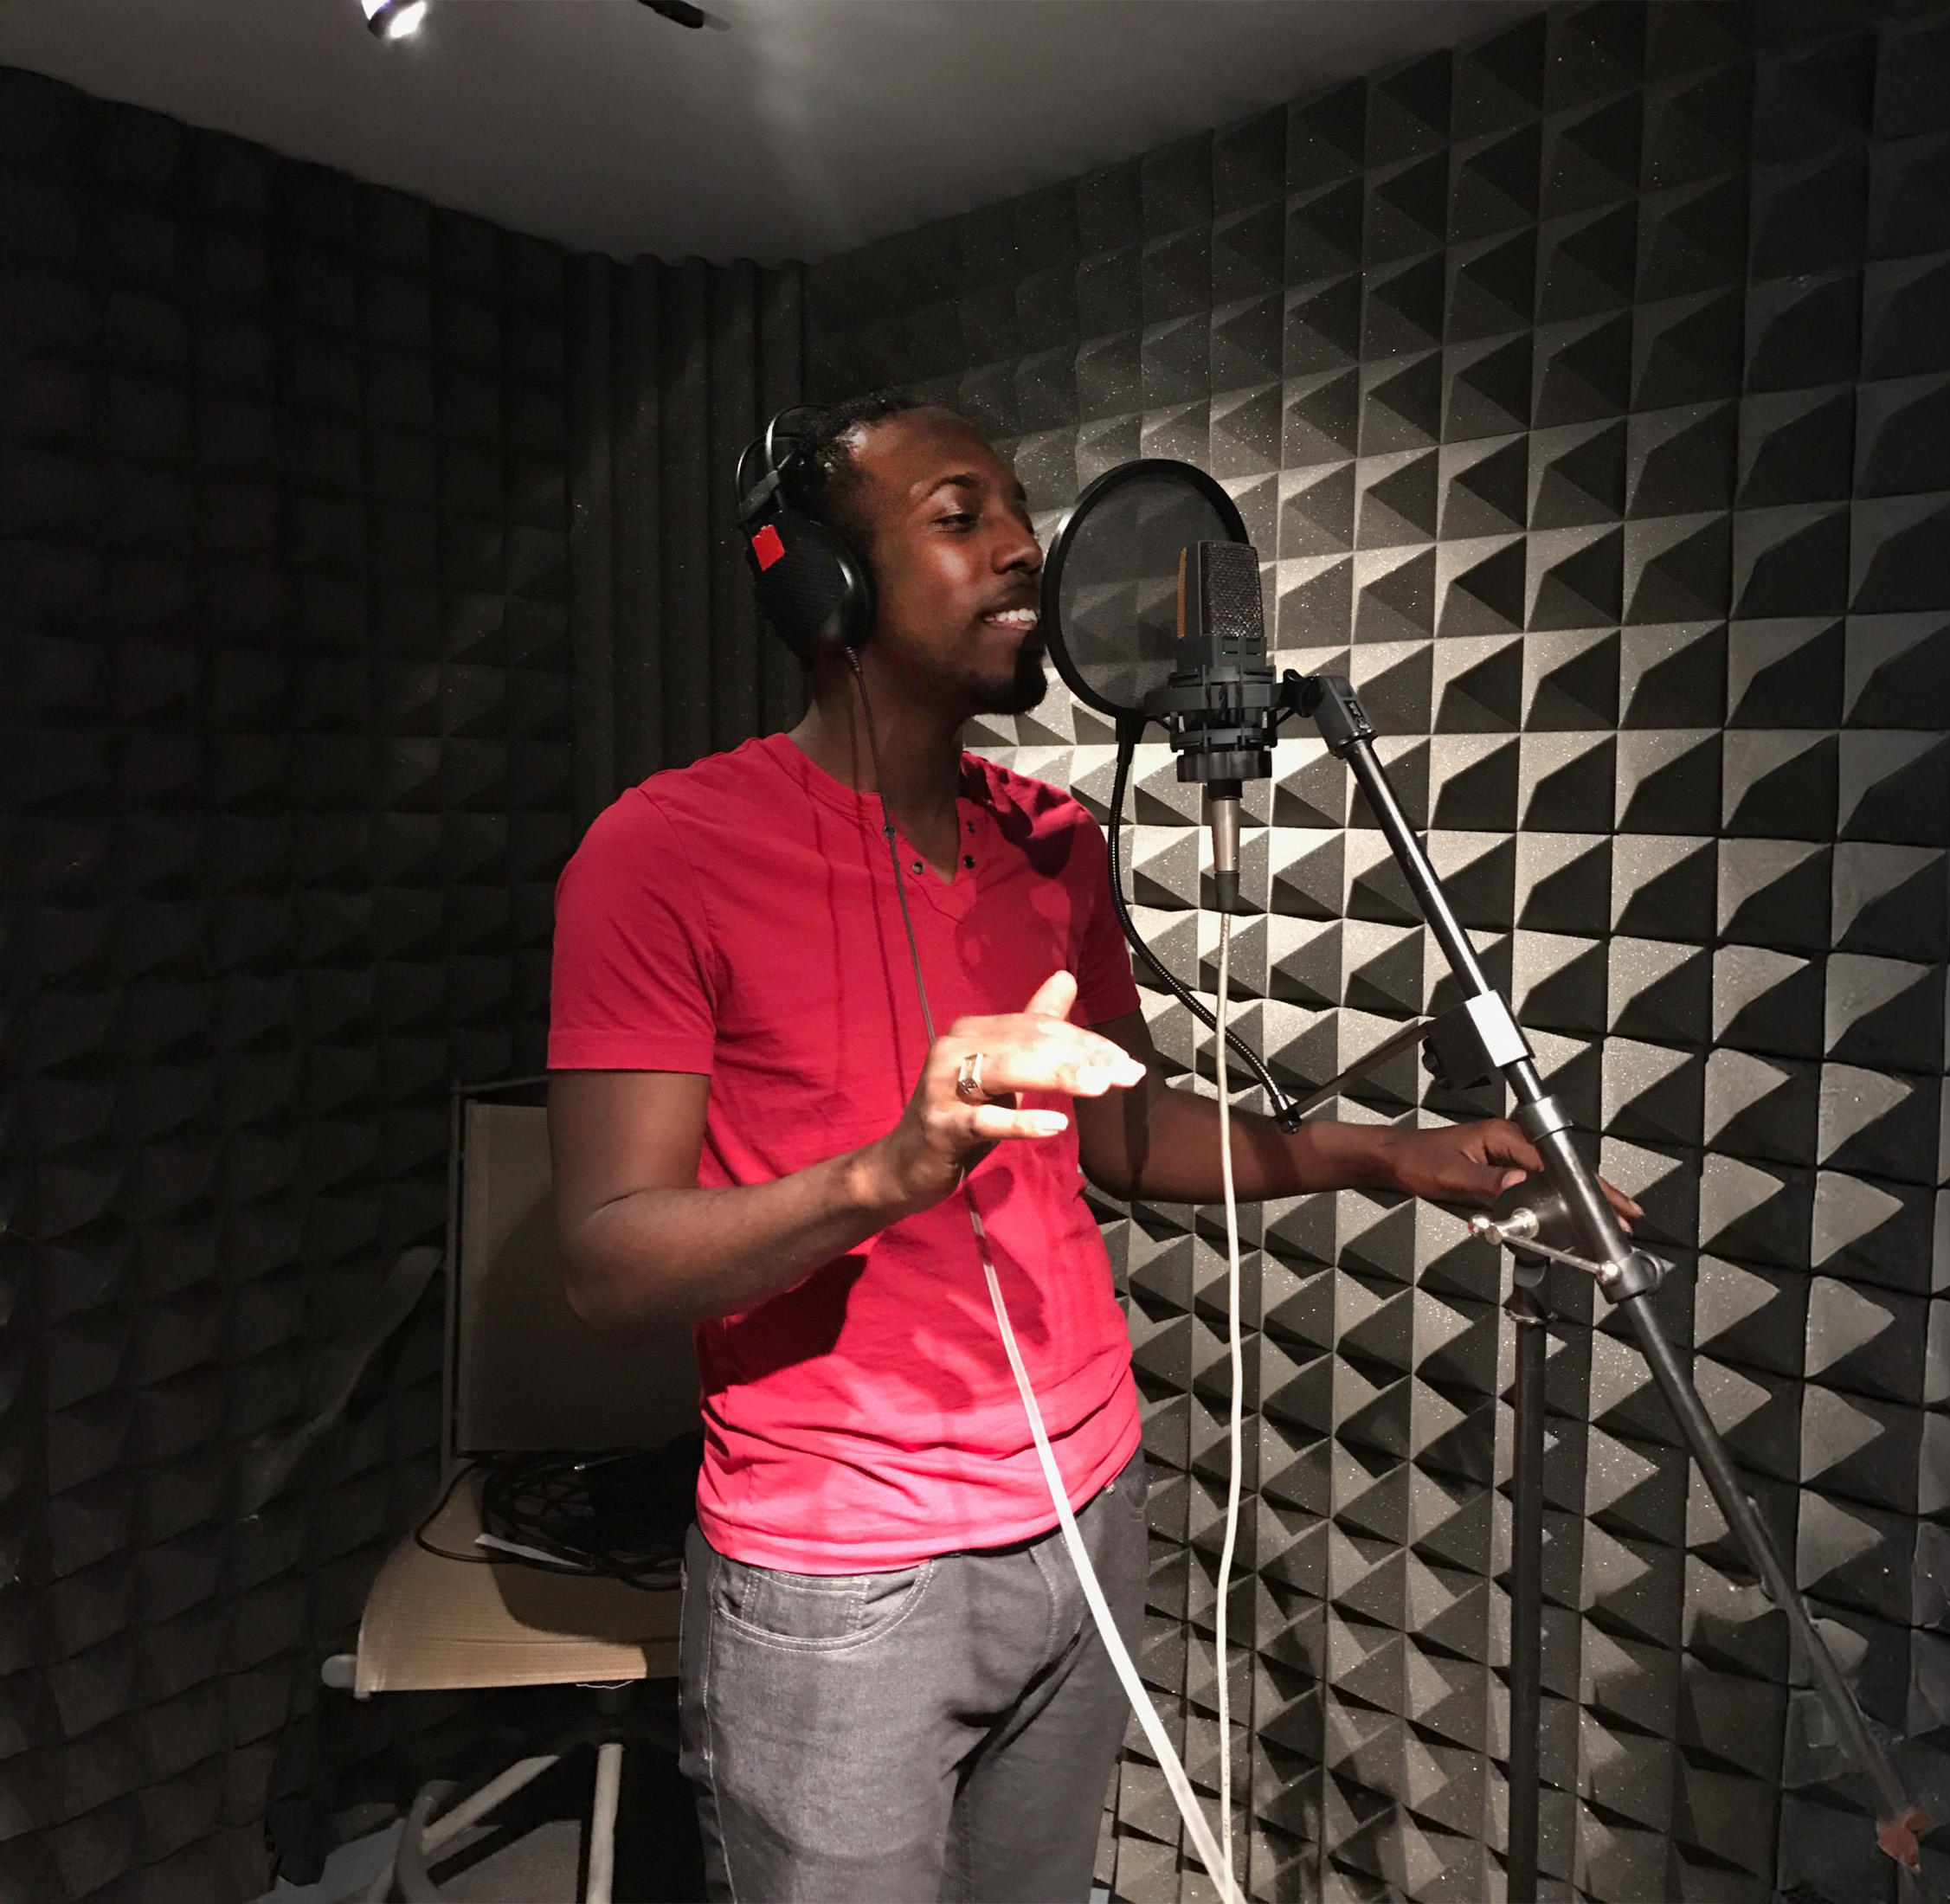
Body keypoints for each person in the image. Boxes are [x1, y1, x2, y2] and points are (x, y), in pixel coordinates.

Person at [543, 391, 1634, 1902]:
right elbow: (607, 1262)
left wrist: (1384, 1157)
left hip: (1084, 1514)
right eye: (960, 515)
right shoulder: (664, 853)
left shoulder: (1055, 842)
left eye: (1020, 514)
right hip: (844, 1574)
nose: (1023, 551)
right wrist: (885, 1172)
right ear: (822, 587)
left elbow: (1119, 1128)